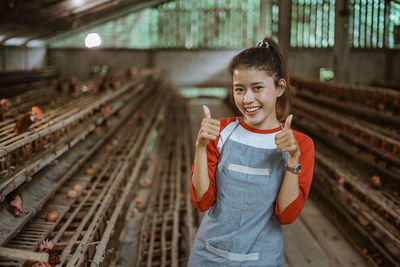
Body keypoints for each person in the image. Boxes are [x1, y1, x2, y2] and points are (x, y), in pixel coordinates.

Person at [188, 37, 315, 267]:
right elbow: (202, 201)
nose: (247, 99)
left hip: (262, 259)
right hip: (207, 256)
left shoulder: (299, 145)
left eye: (257, 88)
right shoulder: (221, 132)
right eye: (239, 89)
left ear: (279, 87)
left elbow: (286, 215)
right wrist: (200, 147)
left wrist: (292, 160)